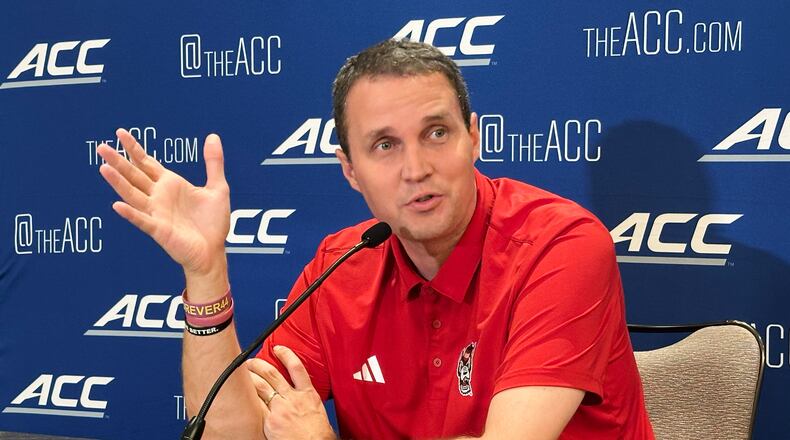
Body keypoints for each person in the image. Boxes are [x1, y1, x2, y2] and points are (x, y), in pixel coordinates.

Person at [97, 39, 654, 439]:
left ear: (473, 138)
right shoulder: (341, 265)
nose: (416, 169)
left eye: (436, 133)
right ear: (350, 170)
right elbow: (230, 433)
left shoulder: (561, 246)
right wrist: (206, 273)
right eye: (385, 145)